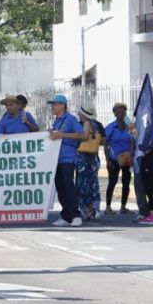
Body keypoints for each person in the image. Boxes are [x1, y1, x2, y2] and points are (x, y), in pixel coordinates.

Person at [47, 95, 86, 227]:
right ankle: (66, 215)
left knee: (68, 186)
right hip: (56, 159)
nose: (53, 107)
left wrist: (62, 135)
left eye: (55, 104)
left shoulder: (71, 119)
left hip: (68, 157)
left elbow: (82, 135)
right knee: (60, 187)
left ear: (63, 105)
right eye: (52, 105)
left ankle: (76, 215)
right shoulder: (56, 121)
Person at [104, 103, 134, 215]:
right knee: (112, 182)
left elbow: (132, 140)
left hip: (126, 159)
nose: (121, 114)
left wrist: (131, 153)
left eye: (123, 112)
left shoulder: (129, 127)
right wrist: (107, 161)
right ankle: (108, 207)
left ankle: (123, 206)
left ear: (125, 113)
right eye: (118, 112)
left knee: (126, 182)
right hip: (114, 159)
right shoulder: (111, 127)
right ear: (115, 114)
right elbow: (106, 144)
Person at [75, 102, 100, 220]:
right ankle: (90, 210)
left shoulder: (86, 123)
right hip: (92, 158)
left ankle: (87, 211)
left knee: (83, 184)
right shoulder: (95, 124)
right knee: (91, 184)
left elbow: (84, 136)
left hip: (84, 157)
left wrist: (73, 136)